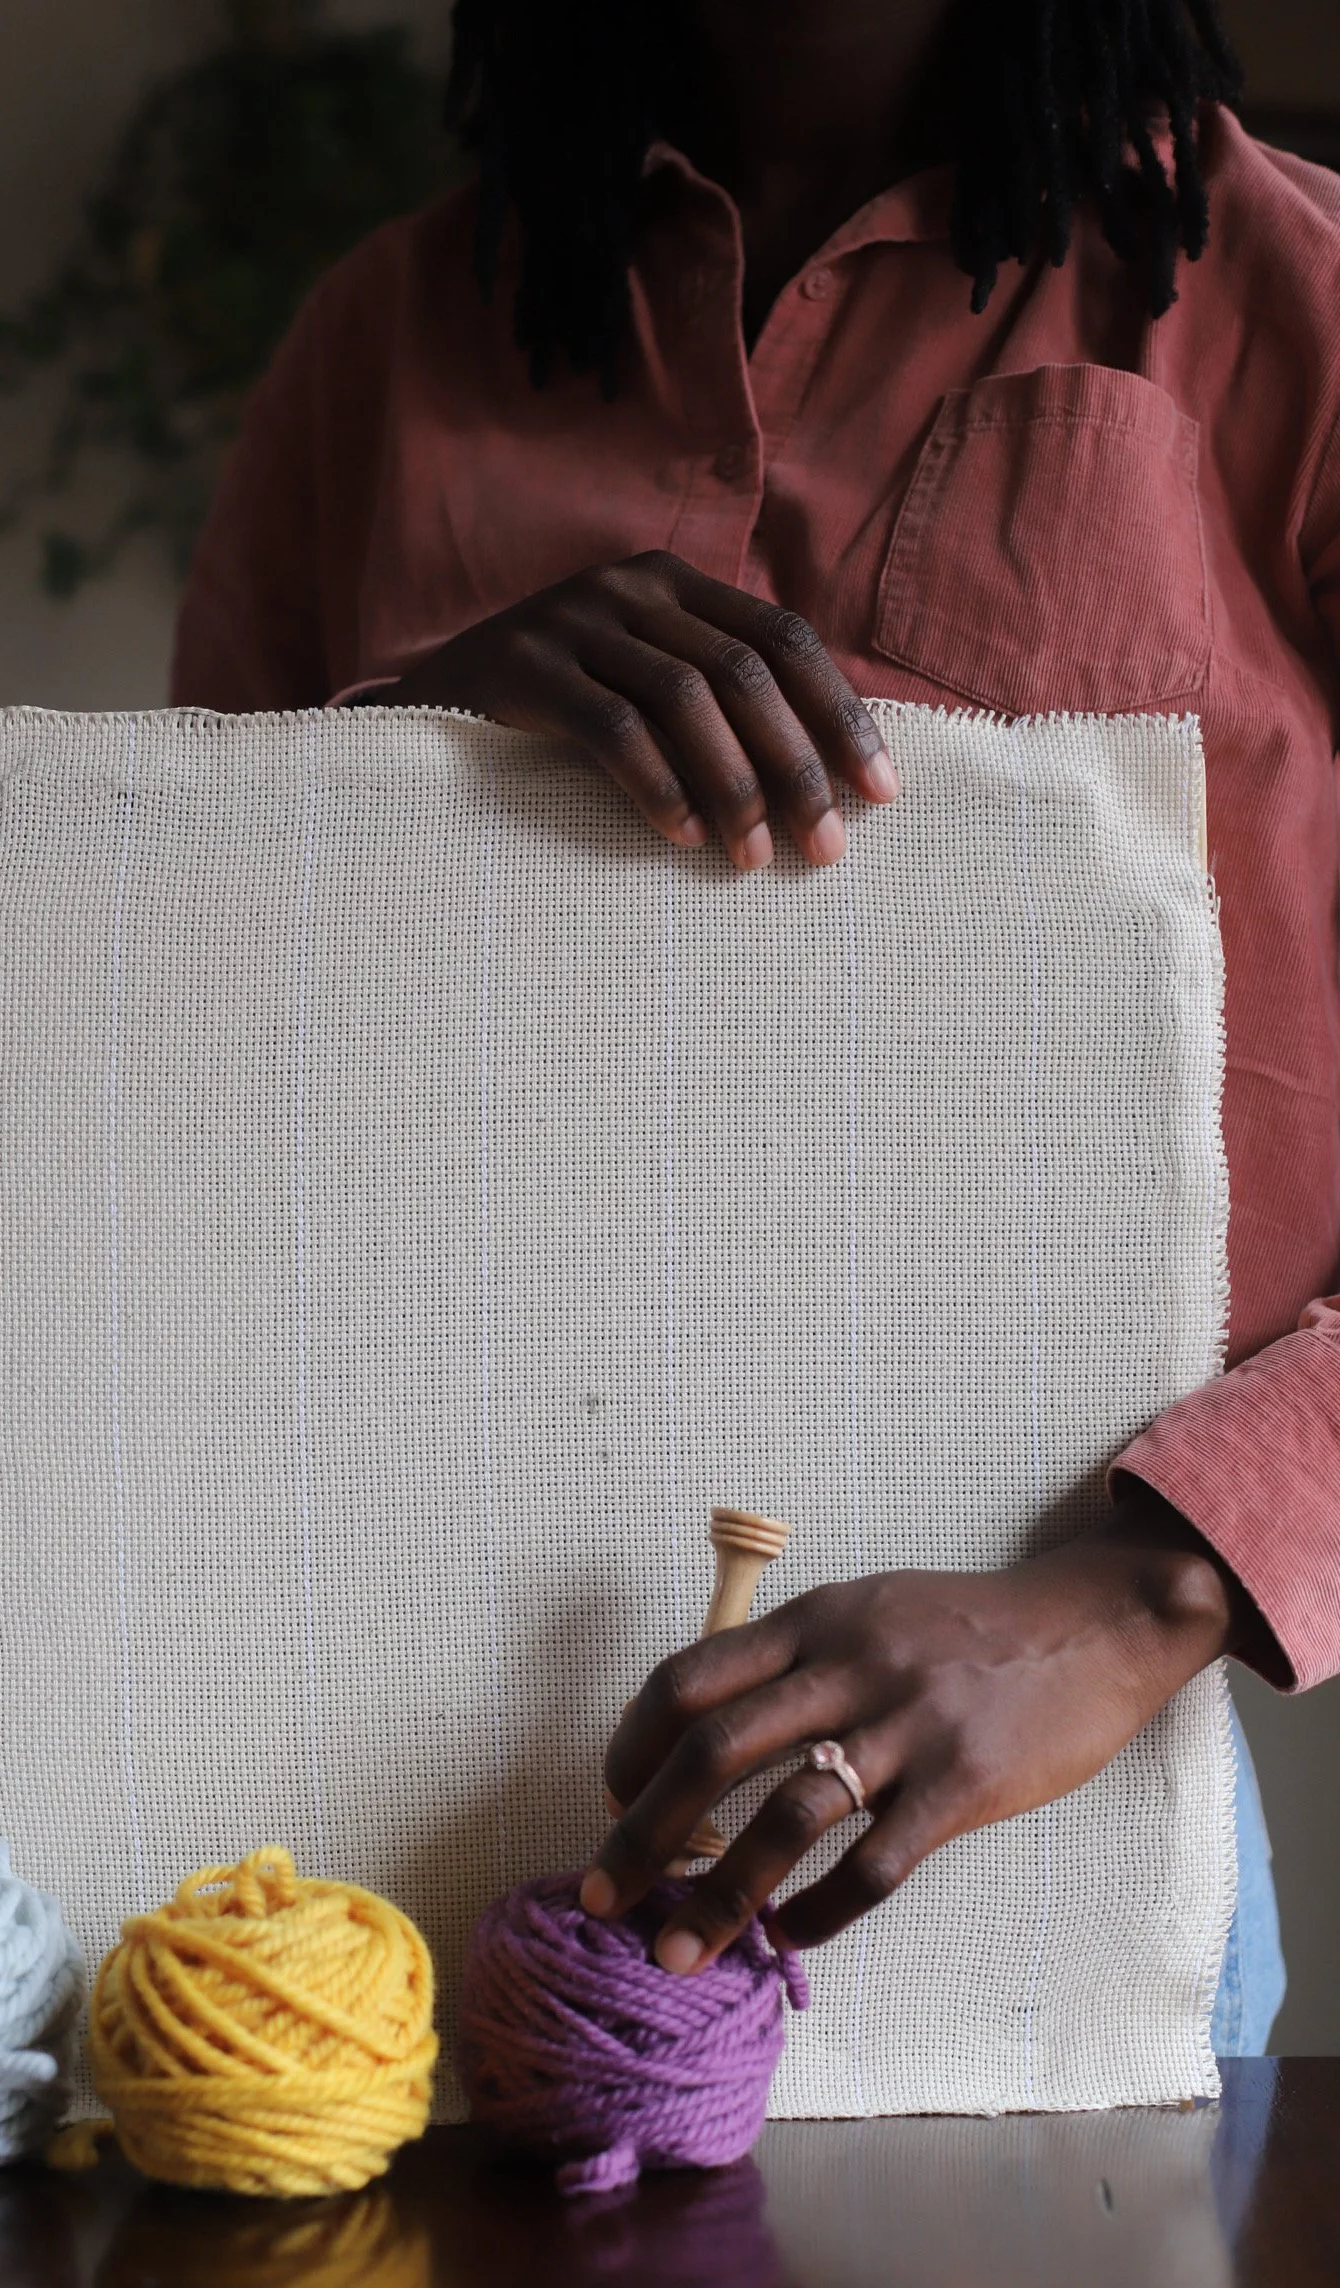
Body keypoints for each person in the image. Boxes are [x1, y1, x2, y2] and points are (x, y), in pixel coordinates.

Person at [171, 0, 1340, 2049]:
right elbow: (161, 1038)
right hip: (348, 1839)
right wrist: (395, 755)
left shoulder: (1300, 310)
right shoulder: (380, 348)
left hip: (1028, 1859)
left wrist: (1131, 1594)